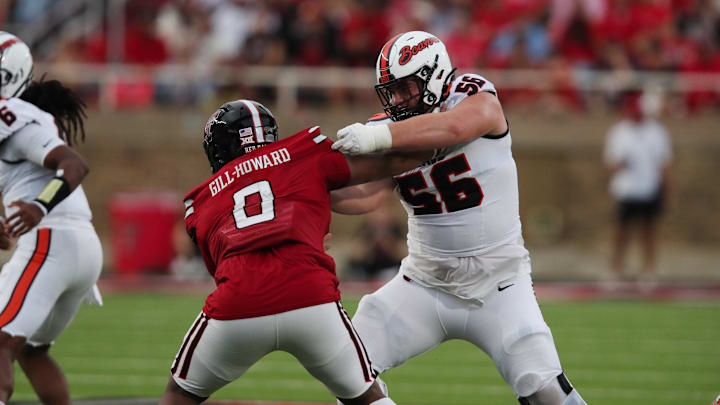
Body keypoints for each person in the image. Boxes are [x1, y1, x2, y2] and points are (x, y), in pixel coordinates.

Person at [331, 31, 587, 405]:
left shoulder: (471, 95)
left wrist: (378, 137)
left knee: (545, 389)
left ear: (434, 75)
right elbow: (365, 194)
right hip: (423, 283)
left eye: (406, 88)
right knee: (347, 369)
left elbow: (454, 127)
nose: (398, 100)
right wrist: (305, 190)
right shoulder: (389, 130)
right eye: (391, 91)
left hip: (498, 285)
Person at [160, 99, 427, 405]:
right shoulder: (302, 152)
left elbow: (221, 263)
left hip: (239, 303)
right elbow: (371, 182)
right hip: (311, 297)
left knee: (179, 393)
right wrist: (429, 143)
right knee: (367, 396)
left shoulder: (202, 202)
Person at [0, 31, 103, 405]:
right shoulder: (22, 116)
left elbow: (74, 166)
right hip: (80, 246)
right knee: (30, 350)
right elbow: (21, 180)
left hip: (51, 241)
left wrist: (37, 207)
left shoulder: (10, 113)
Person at [603, 91, 672, 289]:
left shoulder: (657, 132)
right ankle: (615, 270)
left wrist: (665, 189)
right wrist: (620, 164)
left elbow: (664, 164)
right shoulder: (619, 131)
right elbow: (610, 161)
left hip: (649, 189)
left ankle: (648, 272)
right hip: (626, 190)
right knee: (621, 232)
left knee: (648, 231)